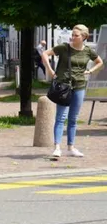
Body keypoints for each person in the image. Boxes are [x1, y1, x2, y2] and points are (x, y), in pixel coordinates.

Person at [42, 24, 103, 160]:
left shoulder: (88, 51)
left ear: (84, 37)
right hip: (64, 86)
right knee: (61, 117)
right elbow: (45, 54)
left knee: (73, 118)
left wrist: (90, 71)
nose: (73, 37)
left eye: (76, 35)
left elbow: (99, 62)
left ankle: (71, 147)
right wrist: (51, 71)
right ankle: (57, 147)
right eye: (73, 34)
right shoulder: (64, 48)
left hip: (79, 86)